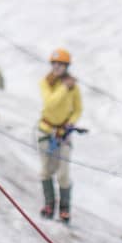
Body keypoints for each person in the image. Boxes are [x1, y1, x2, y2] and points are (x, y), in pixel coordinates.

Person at [38, 48, 82, 223]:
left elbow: (78, 109)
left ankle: (65, 208)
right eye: (54, 64)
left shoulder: (73, 87)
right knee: (46, 170)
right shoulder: (46, 83)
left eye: (60, 64)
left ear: (66, 66)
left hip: (63, 134)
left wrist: (71, 121)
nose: (56, 67)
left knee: (63, 173)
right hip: (46, 131)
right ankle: (49, 204)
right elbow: (49, 104)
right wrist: (64, 87)